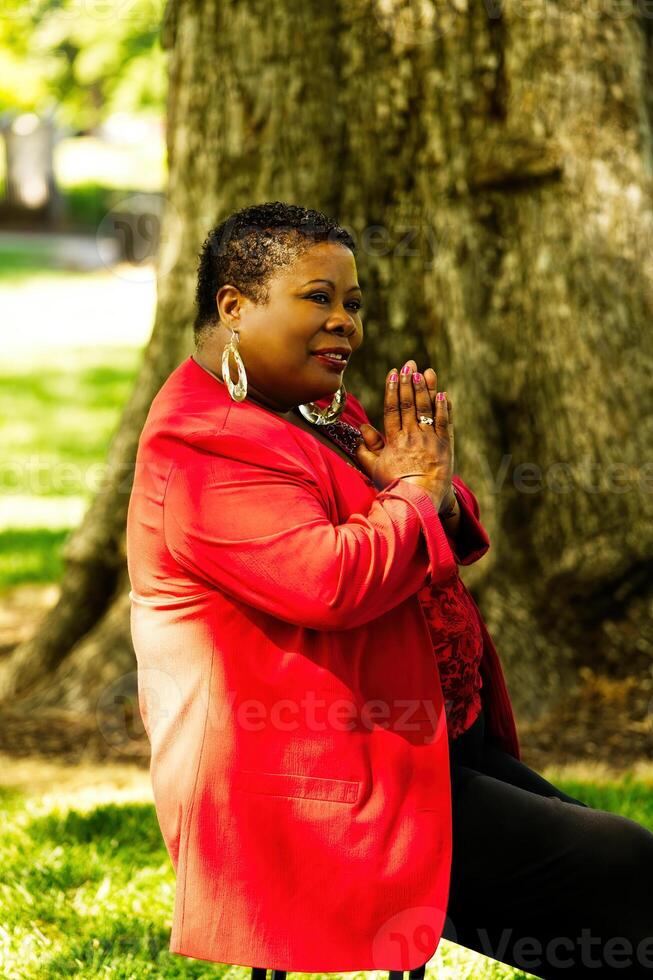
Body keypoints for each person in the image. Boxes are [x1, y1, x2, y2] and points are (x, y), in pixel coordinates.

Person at [126, 201, 653, 978]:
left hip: (411, 744)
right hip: (311, 781)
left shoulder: (305, 410)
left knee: (615, 882)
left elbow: (429, 504)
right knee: (619, 867)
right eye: (318, 298)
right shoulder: (205, 441)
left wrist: (421, 488)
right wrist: (413, 494)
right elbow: (331, 579)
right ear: (234, 306)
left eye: (353, 303)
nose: (344, 322)